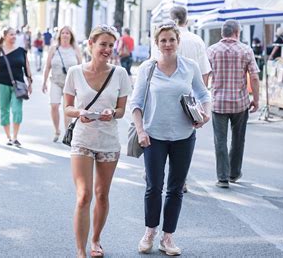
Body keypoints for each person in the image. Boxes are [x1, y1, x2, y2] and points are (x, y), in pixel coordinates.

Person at [131, 20, 211, 256]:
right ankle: (149, 232)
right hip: (153, 136)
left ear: (178, 42)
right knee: (154, 187)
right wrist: (140, 131)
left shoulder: (190, 67)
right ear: (156, 43)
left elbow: (203, 93)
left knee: (175, 189)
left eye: (172, 40)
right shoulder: (148, 68)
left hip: (184, 135)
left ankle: (168, 237)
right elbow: (136, 104)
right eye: (163, 40)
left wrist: (205, 114)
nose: (168, 44)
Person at [63, 24, 131, 258]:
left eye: (111, 45)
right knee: (84, 195)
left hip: (109, 141)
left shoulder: (120, 74)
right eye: (103, 44)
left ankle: (95, 239)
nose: (107, 49)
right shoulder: (75, 72)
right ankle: (80, 250)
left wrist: (112, 113)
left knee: (102, 194)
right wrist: (80, 112)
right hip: (82, 138)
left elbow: (122, 110)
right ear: (90, 44)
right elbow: (67, 107)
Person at [207, 20, 260, 189]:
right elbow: (254, 77)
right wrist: (256, 99)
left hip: (218, 102)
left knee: (220, 140)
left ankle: (222, 178)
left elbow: (205, 76)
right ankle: (234, 173)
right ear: (237, 32)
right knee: (238, 139)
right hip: (240, 102)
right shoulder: (246, 50)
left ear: (222, 33)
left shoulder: (212, 51)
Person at [169, 6, 212, 193]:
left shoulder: (162, 39)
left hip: (166, 93)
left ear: (172, 19)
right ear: (186, 19)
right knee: (184, 139)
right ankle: (181, 179)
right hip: (189, 99)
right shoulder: (197, 40)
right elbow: (205, 73)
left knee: (160, 134)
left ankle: (154, 171)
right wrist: (200, 99)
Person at [0, 27, 33, 147]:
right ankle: (8, 137)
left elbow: (27, 68)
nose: (14, 37)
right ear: (4, 36)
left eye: (15, 34)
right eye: (11, 35)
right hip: (2, 84)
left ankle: (15, 137)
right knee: (4, 110)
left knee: (17, 110)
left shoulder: (21, 51)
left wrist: (30, 82)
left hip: (18, 86)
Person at [42, 26, 82, 142]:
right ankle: (56, 130)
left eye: (67, 33)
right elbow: (47, 66)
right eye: (63, 33)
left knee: (67, 109)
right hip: (55, 81)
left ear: (71, 36)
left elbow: (81, 68)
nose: (65, 35)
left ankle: (67, 132)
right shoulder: (54, 49)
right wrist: (44, 82)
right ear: (59, 35)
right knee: (54, 106)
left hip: (70, 84)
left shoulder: (75, 49)